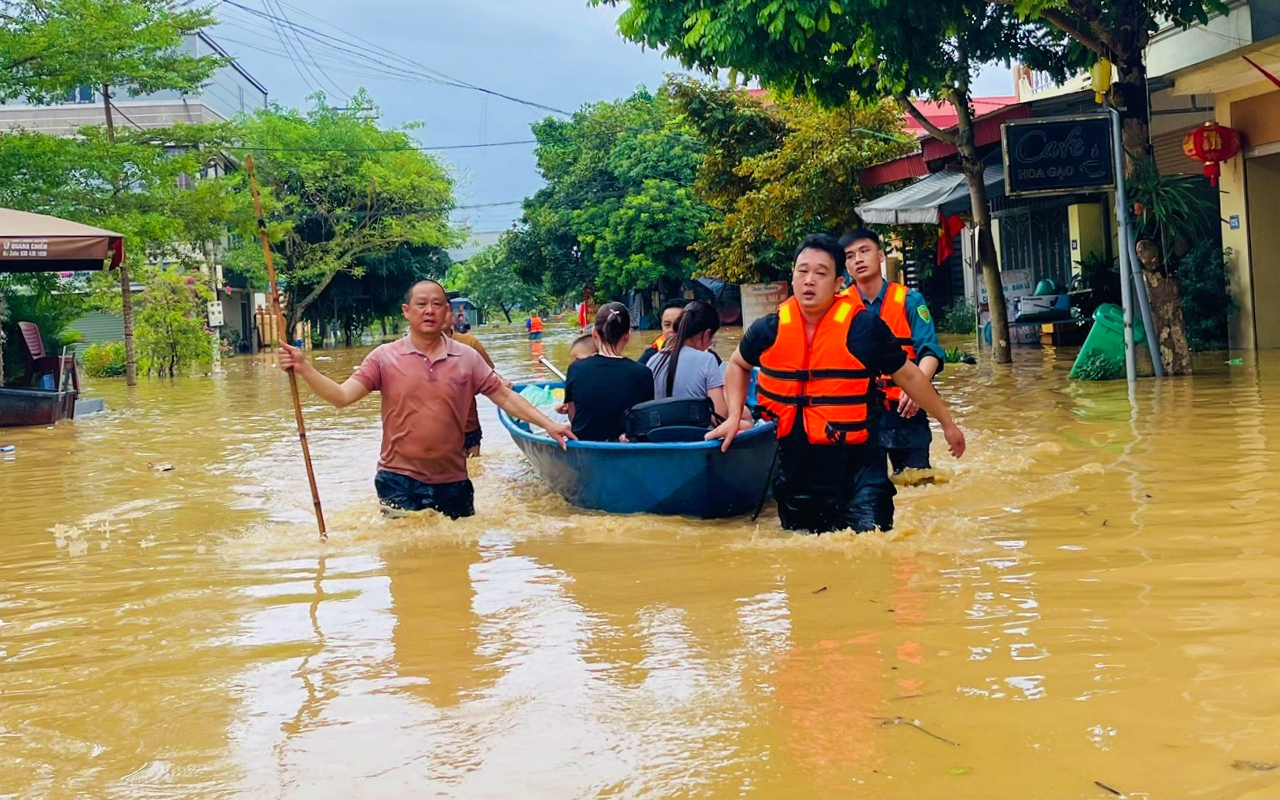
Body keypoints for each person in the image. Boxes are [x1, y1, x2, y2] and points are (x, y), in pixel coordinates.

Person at [707, 234, 966, 534]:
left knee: (873, 551)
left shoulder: (864, 328)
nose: (809, 280)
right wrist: (734, 417)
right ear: (792, 276)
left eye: (820, 273)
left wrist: (947, 423)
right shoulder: (770, 329)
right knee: (804, 563)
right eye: (802, 271)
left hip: (859, 473)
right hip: (797, 472)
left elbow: (908, 376)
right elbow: (738, 364)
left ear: (838, 283)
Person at [277, 280, 574, 518]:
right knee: (407, 569)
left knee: (459, 570)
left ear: (447, 312)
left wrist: (549, 425)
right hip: (398, 479)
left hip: (453, 480)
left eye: (436, 304)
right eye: (421, 304)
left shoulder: (467, 357)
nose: (429, 311)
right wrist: (305, 368)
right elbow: (342, 397)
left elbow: (505, 397)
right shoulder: (384, 357)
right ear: (407, 311)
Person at [842, 229, 945, 475]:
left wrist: (917, 387)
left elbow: (929, 351)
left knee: (916, 483)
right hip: (858, 412)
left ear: (879, 255)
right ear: (845, 266)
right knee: (864, 490)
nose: (858, 259)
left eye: (864, 251)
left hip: (905, 409)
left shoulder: (910, 300)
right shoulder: (838, 306)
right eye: (850, 255)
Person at [646, 300, 748, 427]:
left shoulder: (653, 360)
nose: (711, 344)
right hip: (697, 434)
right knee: (747, 421)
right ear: (706, 334)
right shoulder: (707, 360)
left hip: (660, 433)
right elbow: (720, 417)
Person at [564, 302, 654, 442]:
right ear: (627, 336)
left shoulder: (576, 369)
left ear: (594, 334)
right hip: (626, 447)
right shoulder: (644, 373)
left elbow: (573, 416)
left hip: (586, 446)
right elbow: (644, 419)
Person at [446, 325, 503, 459]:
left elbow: (489, 375)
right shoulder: (408, 351)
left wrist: (502, 382)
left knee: (472, 466)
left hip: (468, 424)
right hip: (432, 431)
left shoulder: (468, 343)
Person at [638, 299, 689, 367]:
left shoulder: (705, 356)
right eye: (667, 325)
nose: (672, 330)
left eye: (678, 324)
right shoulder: (651, 356)